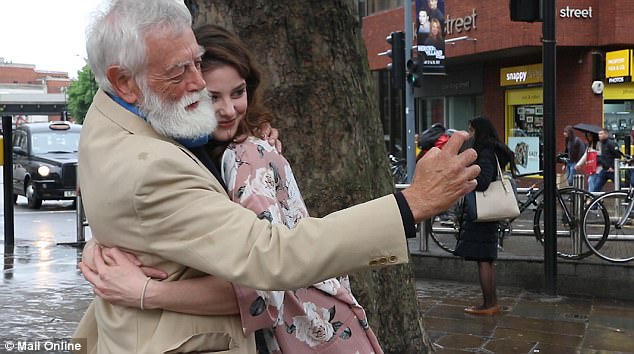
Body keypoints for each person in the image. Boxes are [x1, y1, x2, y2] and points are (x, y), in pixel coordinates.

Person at [74, 0, 479, 352]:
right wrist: (411, 204)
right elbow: (271, 260)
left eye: (198, 62)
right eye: (180, 72)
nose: (198, 85)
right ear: (123, 81)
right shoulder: (154, 166)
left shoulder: (108, 119)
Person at [78, 24, 383, 354]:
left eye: (238, 93)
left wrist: (145, 291)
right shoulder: (186, 148)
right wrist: (103, 244)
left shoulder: (247, 156)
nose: (228, 110)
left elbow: (265, 288)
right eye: (212, 97)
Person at [453, 116, 518, 316]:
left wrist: (467, 175)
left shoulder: (487, 152)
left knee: (484, 259)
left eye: (471, 130)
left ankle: (489, 304)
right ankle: (490, 302)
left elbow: (483, 181)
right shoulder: (492, 150)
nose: (470, 134)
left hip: (483, 213)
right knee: (486, 259)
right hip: (487, 213)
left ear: (479, 131)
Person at [576, 128, 622, 192]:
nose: (599, 135)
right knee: (595, 186)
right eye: (599, 134)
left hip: (607, 169)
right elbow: (587, 155)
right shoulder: (596, 144)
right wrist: (579, 163)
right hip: (603, 169)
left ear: (606, 134)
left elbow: (617, 156)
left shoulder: (609, 144)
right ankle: (593, 199)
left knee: (619, 186)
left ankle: (626, 196)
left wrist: (612, 167)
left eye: (601, 134)